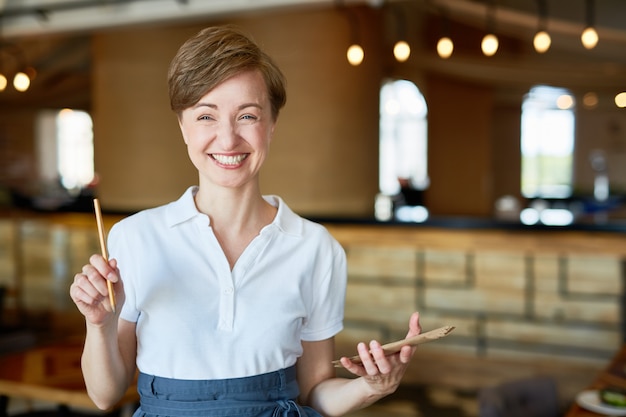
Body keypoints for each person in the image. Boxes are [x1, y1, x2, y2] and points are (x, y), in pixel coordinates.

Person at [69, 25, 421, 417]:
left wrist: (370, 388)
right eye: (206, 116)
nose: (228, 139)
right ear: (182, 127)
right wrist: (98, 324)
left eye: (247, 116)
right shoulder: (134, 238)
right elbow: (105, 394)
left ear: (271, 124)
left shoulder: (316, 248)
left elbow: (314, 391)